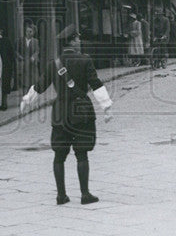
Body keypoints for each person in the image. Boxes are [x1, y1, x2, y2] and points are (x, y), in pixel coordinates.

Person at [19, 25, 112, 205]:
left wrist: (26, 101)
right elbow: (96, 84)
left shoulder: (53, 64)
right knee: (82, 154)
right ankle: (85, 194)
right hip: (81, 111)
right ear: (71, 41)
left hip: (60, 113)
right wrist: (106, 107)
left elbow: (39, 86)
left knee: (59, 155)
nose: (79, 41)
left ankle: (61, 196)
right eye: (77, 38)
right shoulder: (85, 60)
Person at [17, 23, 40, 100]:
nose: (29, 33)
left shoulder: (35, 41)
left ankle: (33, 100)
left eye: (30, 31)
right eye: (27, 31)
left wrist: (33, 57)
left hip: (32, 64)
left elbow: (37, 51)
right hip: (24, 64)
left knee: (33, 83)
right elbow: (16, 51)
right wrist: (19, 57)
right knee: (24, 83)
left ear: (34, 32)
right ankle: (25, 99)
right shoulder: (20, 40)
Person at [0, 28, 14, 110]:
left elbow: (10, 54)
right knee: (0, 85)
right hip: (1, 66)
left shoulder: (5, 41)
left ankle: (4, 104)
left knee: (4, 85)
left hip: (5, 66)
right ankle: (1, 103)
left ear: (0, 32)